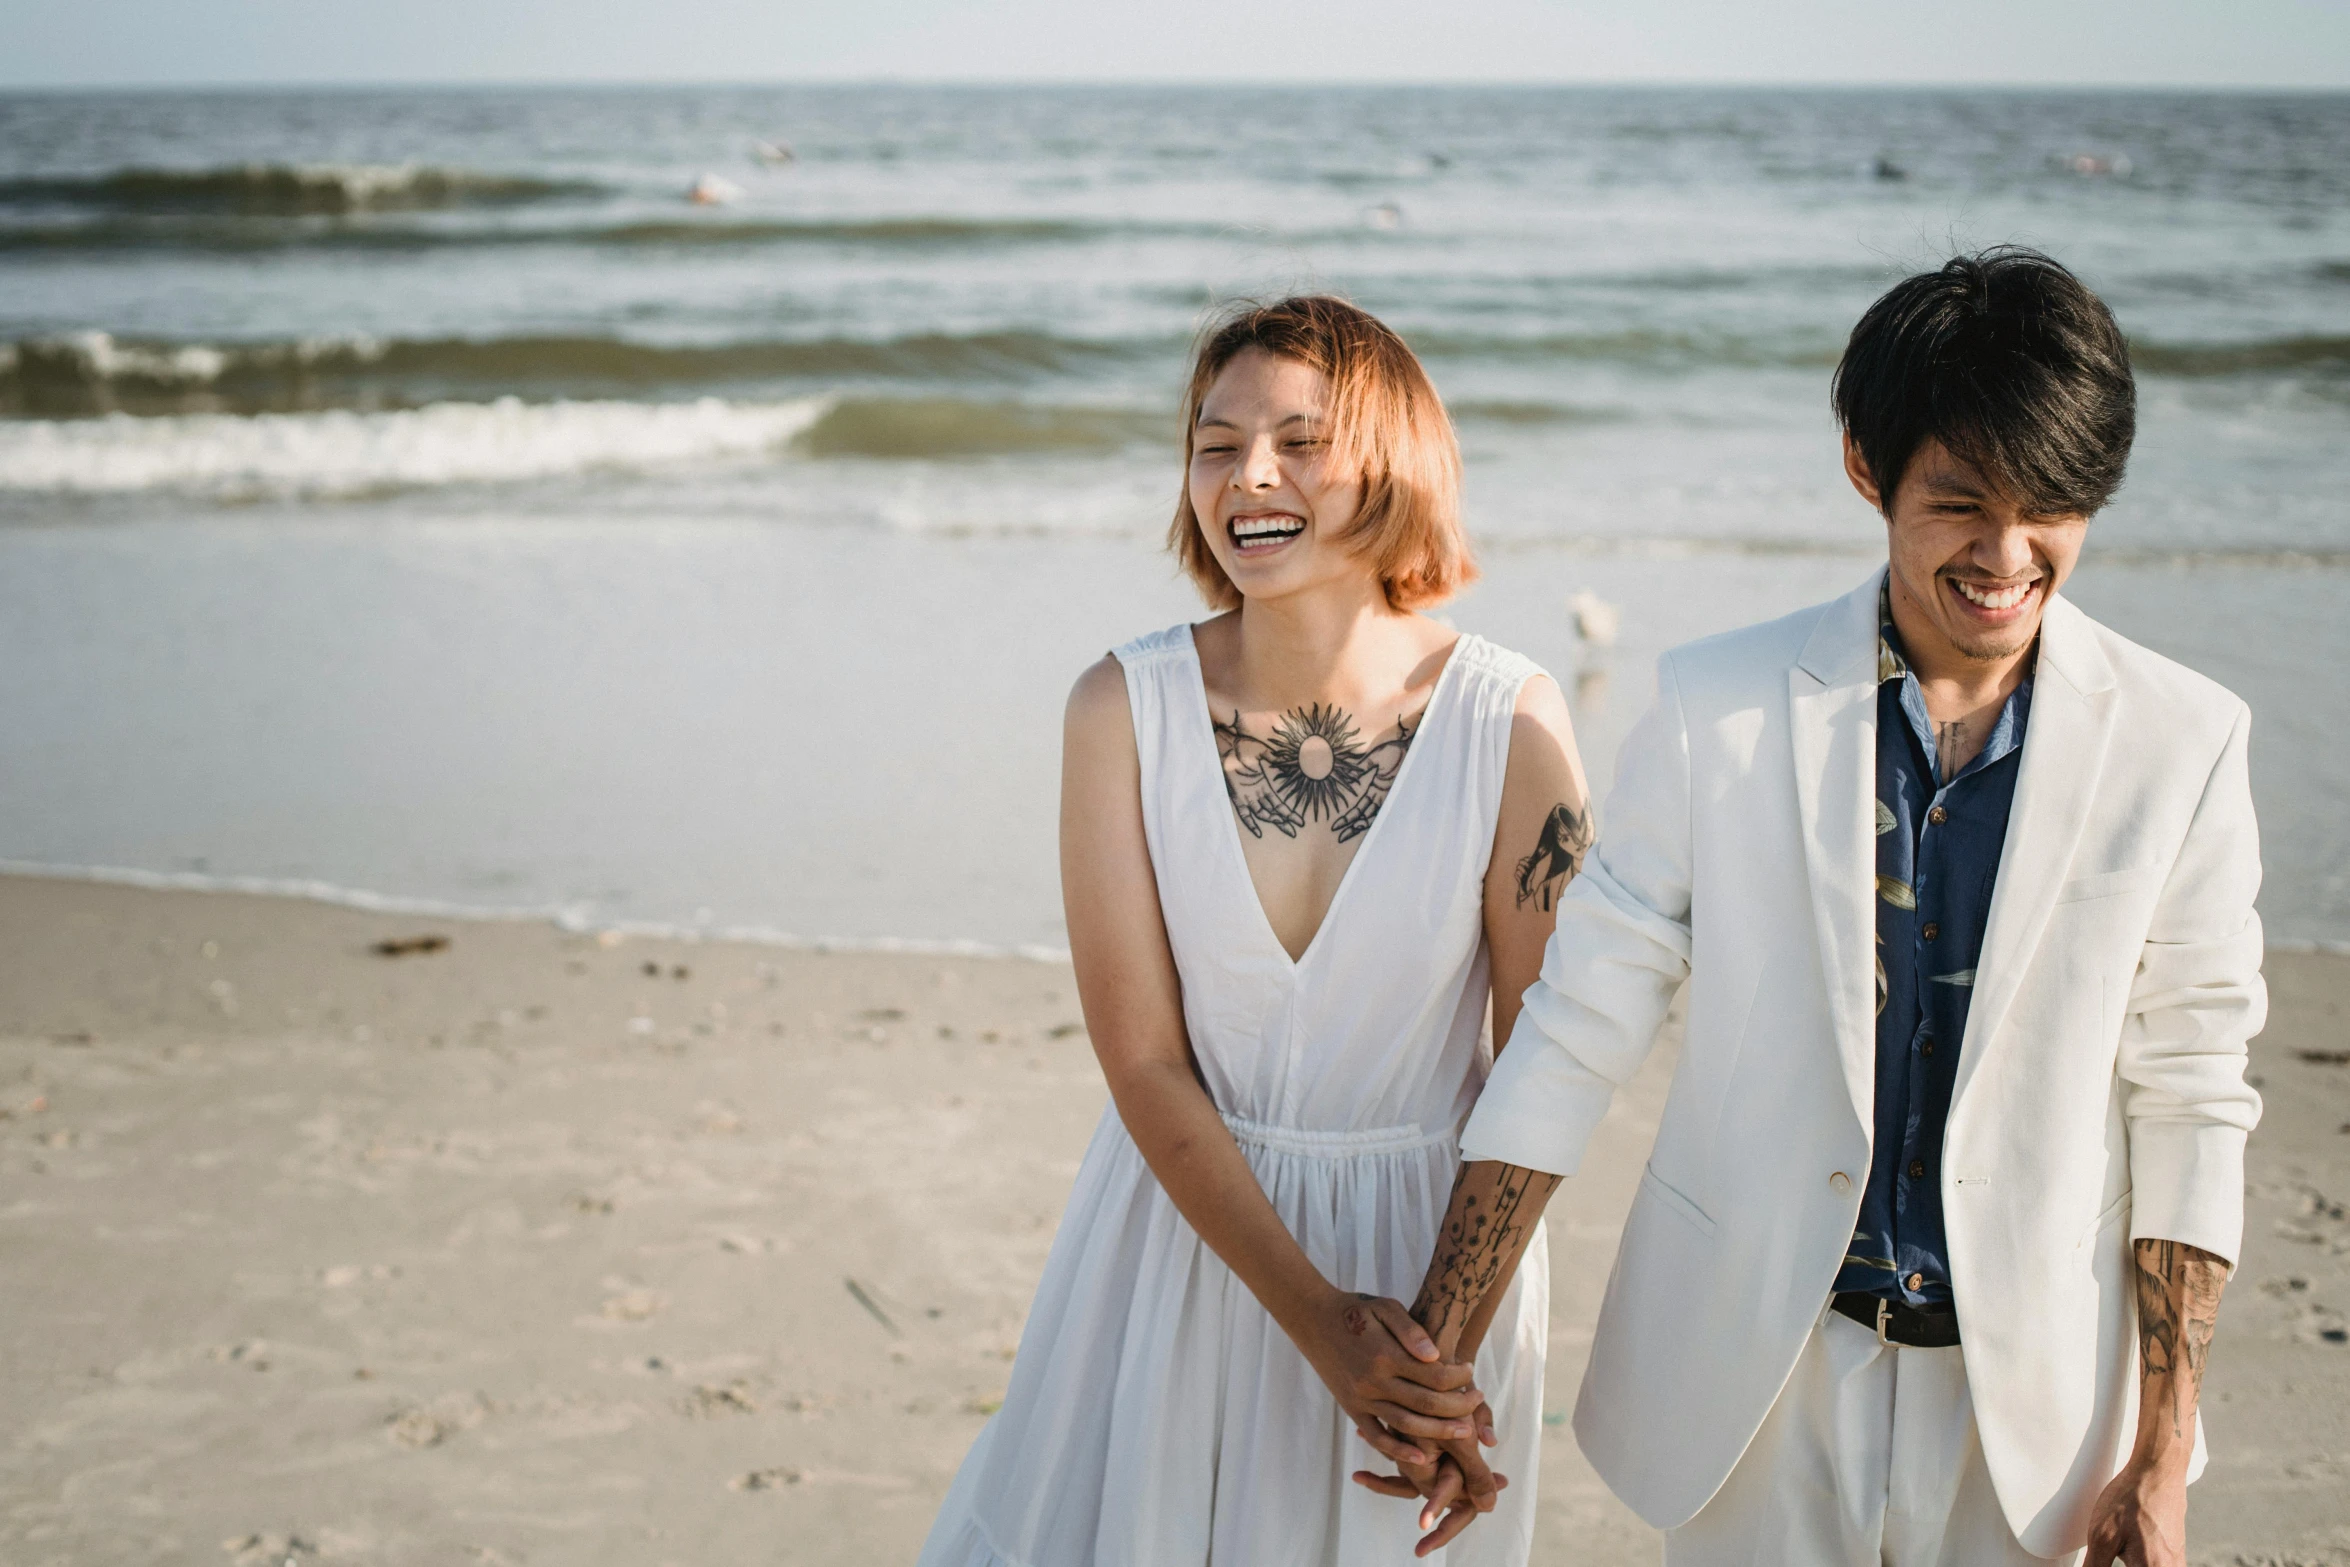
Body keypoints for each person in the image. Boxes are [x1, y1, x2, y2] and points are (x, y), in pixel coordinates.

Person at [1364, 248, 2266, 1565]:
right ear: (1866, 468)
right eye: (1959, 504)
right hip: (1756, 1383)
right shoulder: (1712, 711)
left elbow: (2191, 1089)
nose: (2007, 557)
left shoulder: (2183, 743)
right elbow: (1572, 1032)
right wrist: (1439, 1359)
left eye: (2052, 509)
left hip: (2034, 1417)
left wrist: (2162, 1446)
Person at [914, 295, 1593, 1566]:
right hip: (1180, 1244)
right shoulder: (1121, 707)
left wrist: (1424, 1355)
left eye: (1297, 440)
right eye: (1216, 444)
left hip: (1430, 1264)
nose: (1250, 477)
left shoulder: (1511, 725)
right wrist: (1317, 1320)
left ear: (1391, 464)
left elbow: (1546, 1061)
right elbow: (1143, 1062)